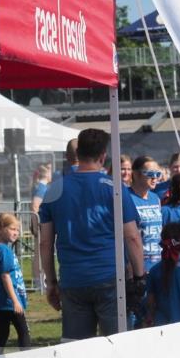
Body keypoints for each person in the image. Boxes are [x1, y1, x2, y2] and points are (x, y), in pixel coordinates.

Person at [39, 128, 144, 340]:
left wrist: (51, 282)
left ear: (78, 154)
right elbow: (132, 236)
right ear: (103, 156)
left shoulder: (54, 189)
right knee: (118, 346)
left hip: (72, 278)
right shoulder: (114, 188)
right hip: (110, 277)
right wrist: (140, 277)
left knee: (76, 349)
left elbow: (45, 242)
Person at [0, 213, 30, 354]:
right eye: (12, 229)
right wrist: (15, 301)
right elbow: (5, 276)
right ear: (0, 229)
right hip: (10, 301)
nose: (16, 232)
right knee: (23, 332)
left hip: (0, 301)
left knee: (2, 334)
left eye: (17, 230)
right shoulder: (4, 251)